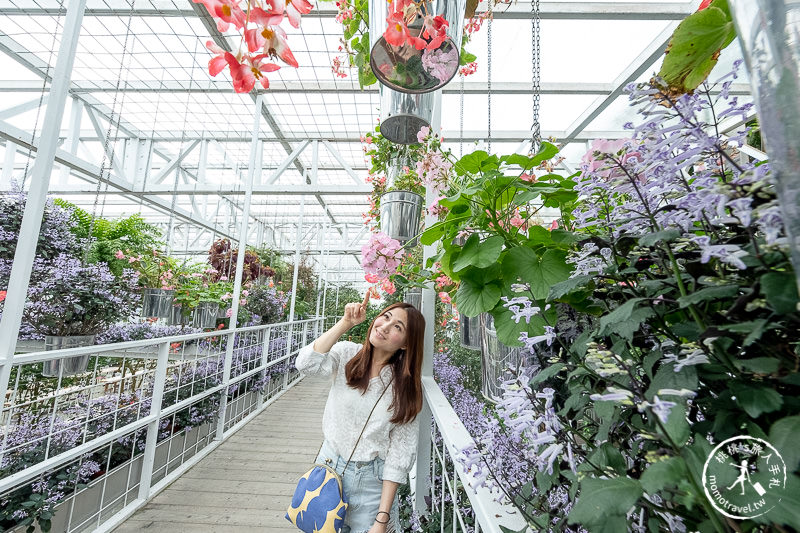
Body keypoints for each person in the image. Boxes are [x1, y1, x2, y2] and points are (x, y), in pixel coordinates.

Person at [295, 292, 425, 533]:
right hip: (328, 469)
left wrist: (382, 518)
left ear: (406, 343)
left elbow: (400, 454)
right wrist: (345, 323)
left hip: (371, 485)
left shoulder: (405, 388)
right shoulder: (347, 354)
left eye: (396, 326)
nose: (384, 326)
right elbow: (306, 365)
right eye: (384, 317)